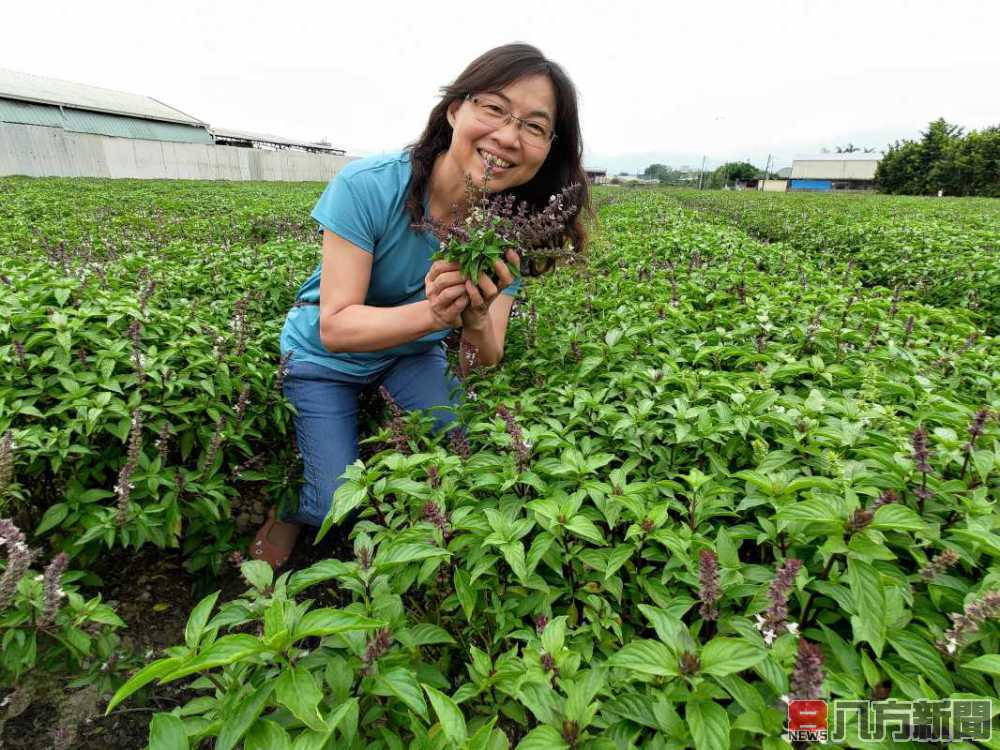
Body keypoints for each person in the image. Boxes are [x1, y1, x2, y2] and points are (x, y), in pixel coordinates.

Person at [250, 43, 589, 569]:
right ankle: (294, 506)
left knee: (460, 452)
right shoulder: (368, 186)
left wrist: (474, 319)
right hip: (323, 359)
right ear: (456, 109)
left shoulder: (508, 232)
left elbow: (485, 356)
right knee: (330, 506)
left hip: (409, 355)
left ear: (548, 147)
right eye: (495, 108)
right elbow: (336, 327)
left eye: (534, 125)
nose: (507, 135)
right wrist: (434, 315)